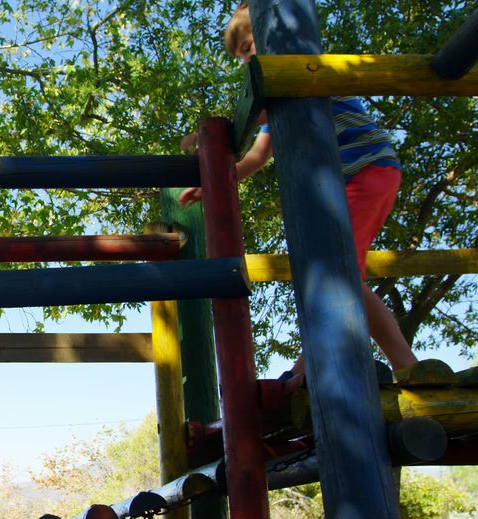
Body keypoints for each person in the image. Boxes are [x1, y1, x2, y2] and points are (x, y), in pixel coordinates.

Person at [180, 2, 424, 387]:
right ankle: (318, 360)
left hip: (366, 170)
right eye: (241, 55)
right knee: (334, 272)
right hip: (347, 180)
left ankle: (398, 364)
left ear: (272, 37)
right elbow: (257, 157)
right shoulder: (279, 96)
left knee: (339, 273)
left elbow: (256, 113)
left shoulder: (304, 65)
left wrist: (214, 134)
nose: (245, 61)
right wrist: (214, 183)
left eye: (247, 49)